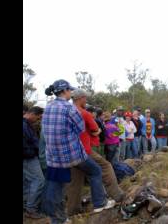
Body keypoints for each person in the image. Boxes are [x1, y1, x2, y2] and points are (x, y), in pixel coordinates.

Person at [41, 80, 114, 224]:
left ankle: (59, 220)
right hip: (72, 154)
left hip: (54, 156)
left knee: (57, 186)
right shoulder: (69, 108)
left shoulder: (48, 107)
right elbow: (80, 128)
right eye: (70, 91)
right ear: (65, 91)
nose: (71, 93)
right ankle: (100, 204)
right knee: (95, 171)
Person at [66, 89, 121, 216]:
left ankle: (72, 210)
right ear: (81, 98)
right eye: (85, 98)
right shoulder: (84, 113)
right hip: (85, 150)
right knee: (105, 166)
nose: (86, 101)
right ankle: (115, 196)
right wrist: (95, 132)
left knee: (75, 180)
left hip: (70, 151)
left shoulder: (67, 112)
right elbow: (96, 131)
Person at [23, 106, 45, 219]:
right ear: (32, 114)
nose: (38, 120)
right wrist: (33, 151)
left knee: (28, 182)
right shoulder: (24, 125)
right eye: (38, 117)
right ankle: (31, 209)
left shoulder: (27, 124)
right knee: (39, 180)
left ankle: (27, 205)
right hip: (28, 158)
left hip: (28, 157)